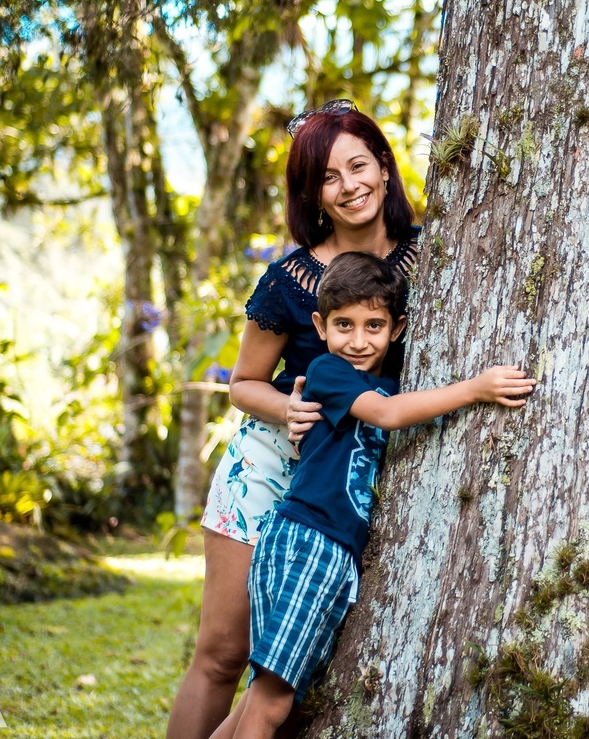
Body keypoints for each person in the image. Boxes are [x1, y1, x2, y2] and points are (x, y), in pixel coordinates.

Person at [165, 100, 421, 739]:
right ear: (313, 196)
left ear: (385, 168)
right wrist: (292, 408)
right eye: (328, 179)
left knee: (288, 679)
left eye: (358, 166)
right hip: (271, 467)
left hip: (348, 484)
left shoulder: (431, 263)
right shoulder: (289, 280)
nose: (349, 186)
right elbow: (243, 384)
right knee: (225, 654)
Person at [210, 251, 537, 739]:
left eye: (374, 326)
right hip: (308, 542)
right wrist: (475, 389)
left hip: (330, 549)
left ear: (398, 329)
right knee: (272, 705)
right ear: (320, 326)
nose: (358, 341)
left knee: (262, 697)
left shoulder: (380, 382)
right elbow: (389, 415)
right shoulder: (328, 372)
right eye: (344, 325)